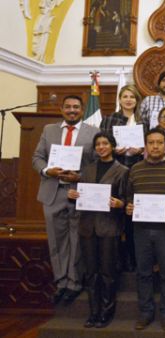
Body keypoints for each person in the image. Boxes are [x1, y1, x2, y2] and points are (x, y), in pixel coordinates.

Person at [32, 95, 99, 305]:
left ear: (81, 110)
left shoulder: (93, 132)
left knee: (77, 241)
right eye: (68, 107)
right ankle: (61, 282)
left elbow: (97, 162)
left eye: (76, 107)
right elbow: (37, 158)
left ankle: (74, 283)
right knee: (57, 241)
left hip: (79, 192)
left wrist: (80, 177)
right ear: (62, 109)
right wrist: (47, 170)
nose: (72, 110)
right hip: (53, 192)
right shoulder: (49, 130)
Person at [126, 128, 165, 331]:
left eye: (159, 142)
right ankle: (145, 313)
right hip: (141, 230)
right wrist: (129, 206)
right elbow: (128, 196)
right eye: (151, 142)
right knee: (143, 273)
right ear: (146, 145)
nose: (155, 146)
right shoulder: (135, 169)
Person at [67, 132, 128, 328]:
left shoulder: (123, 170)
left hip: (109, 226)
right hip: (87, 227)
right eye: (98, 144)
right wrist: (72, 196)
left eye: (105, 143)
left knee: (107, 272)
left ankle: (106, 312)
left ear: (112, 146)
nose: (101, 147)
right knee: (91, 272)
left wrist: (121, 203)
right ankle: (93, 312)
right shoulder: (87, 169)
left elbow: (127, 199)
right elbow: (81, 197)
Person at [100, 84, 145, 272]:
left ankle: (133, 260)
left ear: (137, 101)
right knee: (114, 215)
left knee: (133, 217)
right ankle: (116, 261)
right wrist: (112, 149)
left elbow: (150, 146)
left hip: (136, 172)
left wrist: (141, 150)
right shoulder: (110, 119)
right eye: (125, 96)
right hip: (115, 171)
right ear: (119, 99)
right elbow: (100, 143)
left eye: (132, 97)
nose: (128, 100)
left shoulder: (144, 122)